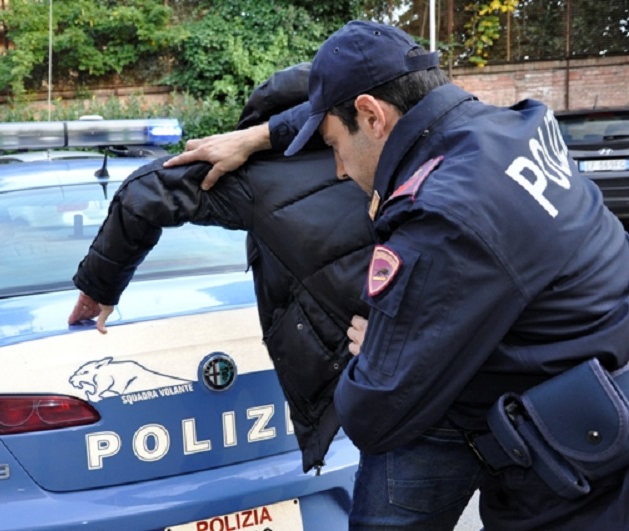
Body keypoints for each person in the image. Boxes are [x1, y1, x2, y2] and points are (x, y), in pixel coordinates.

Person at [163, 19, 629, 531]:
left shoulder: (445, 215)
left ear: (372, 115)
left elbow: (371, 412)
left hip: (564, 477)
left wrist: (387, 347)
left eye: (335, 145)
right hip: (584, 402)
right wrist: (257, 136)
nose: (339, 169)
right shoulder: (508, 126)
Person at [68, 63, 376, 475]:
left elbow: (143, 194)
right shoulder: (386, 141)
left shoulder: (254, 176)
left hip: (350, 374)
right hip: (389, 362)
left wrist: (98, 289)